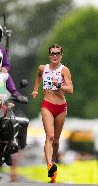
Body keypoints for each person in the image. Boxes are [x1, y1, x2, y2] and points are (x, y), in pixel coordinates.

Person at [31, 44, 73, 182]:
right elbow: (38, 77)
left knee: (56, 140)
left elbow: (70, 89)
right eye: (52, 53)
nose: (55, 56)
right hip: (47, 105)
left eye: (57, 53)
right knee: (49, 136)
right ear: (49, 55)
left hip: (61, 107)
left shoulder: (64, 70)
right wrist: (36, 89)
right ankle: (49, 164)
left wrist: (59, 85)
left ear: (61, 55)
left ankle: (53, 162)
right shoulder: (43, 68)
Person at [0, 23, 28, 103]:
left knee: (7, 76)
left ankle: (16, 93)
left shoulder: (1, 49)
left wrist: (5, 68)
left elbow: (6, 64)